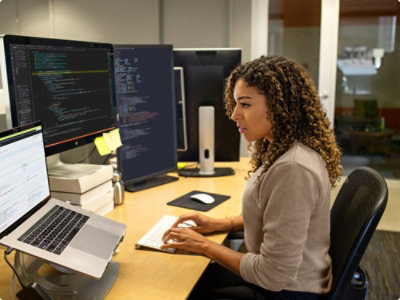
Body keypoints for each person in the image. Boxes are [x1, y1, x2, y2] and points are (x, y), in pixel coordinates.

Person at [161, 55, 342, 300]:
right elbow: (276, 216)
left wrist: (204, 246)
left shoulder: (293, 169)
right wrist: (221, 224)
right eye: (236, 104)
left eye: (245, 104)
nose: (235, 114)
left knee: (176, 286)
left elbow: (274, 275)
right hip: (284, 280)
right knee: (183, 273)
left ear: (280, 105)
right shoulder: (279, 148)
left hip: (287, 290)